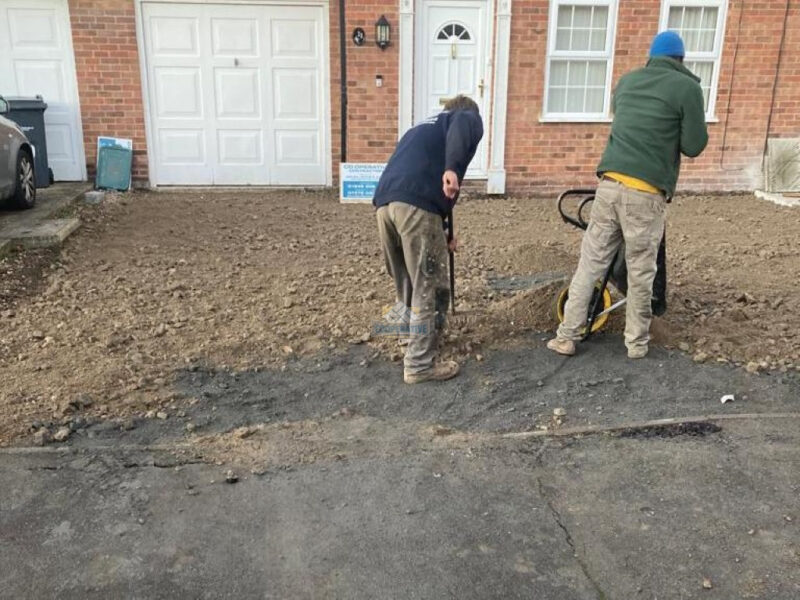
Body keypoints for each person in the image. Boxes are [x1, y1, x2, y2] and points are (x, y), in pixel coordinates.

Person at [548, 31, 708, 359]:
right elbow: (694, 145)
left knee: (590, 263)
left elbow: (623, 118)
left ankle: (566, 336)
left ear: (651, 57)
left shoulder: (627, 82)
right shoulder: (687, 88)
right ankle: (635, 344)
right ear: (680, 60)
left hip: (608, 186)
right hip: (645, 193)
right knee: (640, 268)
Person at [373, 95, 483, 383]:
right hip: (416, 208)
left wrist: (442, 230)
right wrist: (453, 169)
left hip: (385, 206)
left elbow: (418, 175)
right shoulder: (463, 116)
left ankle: (408, 338)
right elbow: (463, 125)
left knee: (406, 281)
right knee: (429, 286)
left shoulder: (420, 129)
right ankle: (420, 364)